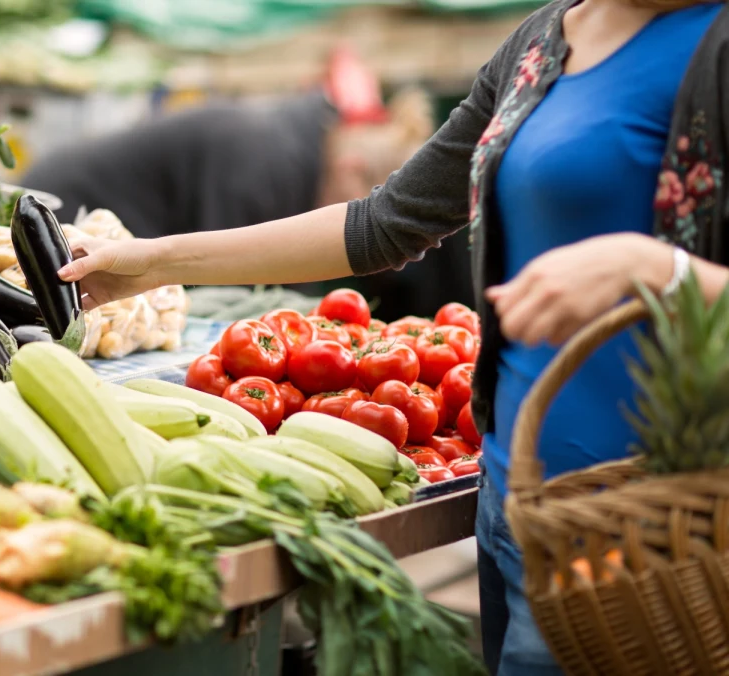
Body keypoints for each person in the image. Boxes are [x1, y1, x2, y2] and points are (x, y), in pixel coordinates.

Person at [56, 1, 729, 673]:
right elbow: (384, 222)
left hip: (658, 524)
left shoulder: (713, 43)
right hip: (516, 503)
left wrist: (660, 269)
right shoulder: (541, 40)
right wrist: (149, 263)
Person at [20, 77, 476, 317]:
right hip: (58, 214)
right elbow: (230, 277)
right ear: (352, 169)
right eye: (370, 200)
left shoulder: (290, 145)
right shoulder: (263, 162)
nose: (360, 213)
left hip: (120, 231)